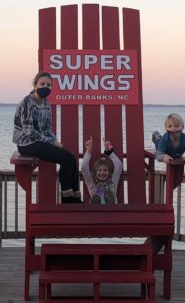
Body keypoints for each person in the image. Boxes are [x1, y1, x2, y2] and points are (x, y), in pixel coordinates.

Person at [13, 71, 82, 202]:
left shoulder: (46, 103)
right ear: (35, 85)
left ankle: (76, 198)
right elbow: (30, 132)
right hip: (27, 144)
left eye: (49, 85)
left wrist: (54, 140)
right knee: (66, 159)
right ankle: (67, 200)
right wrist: (51, 142)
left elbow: (47, 128)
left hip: (40, 142)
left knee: (71, 158)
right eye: (42, 84)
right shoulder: (28, 102)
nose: (46, 87)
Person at [80, 137, 123, 205]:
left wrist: (109, 152)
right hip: (96, 212)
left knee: (109, 194)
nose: (102, 173)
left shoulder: (113, 180)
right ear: (95, 172)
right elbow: (84, 167)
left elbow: (119, 165)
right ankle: (96, 203)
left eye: (105, 170)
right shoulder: (91, 182)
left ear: (109, 172)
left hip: (112, 212)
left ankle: (109, 204)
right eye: (99, 170)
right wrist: (88, 151)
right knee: (96, 198)